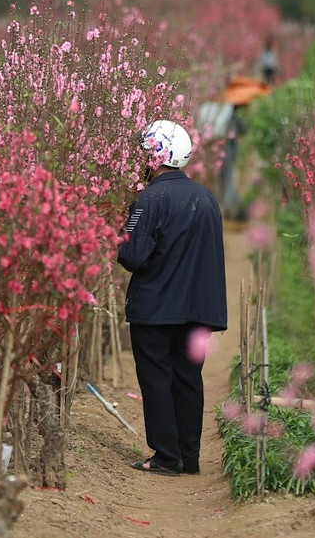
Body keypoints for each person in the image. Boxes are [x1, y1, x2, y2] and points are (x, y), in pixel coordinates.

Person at [117, 120, 227, 476]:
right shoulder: (205, 197)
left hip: (157, 308)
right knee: (188, 378)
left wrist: (123, 230)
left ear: (155, 155)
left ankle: (165, 456)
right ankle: (188, 456)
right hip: (197, 309)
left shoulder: (150, 199)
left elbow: (131, 256)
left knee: (156, 379)